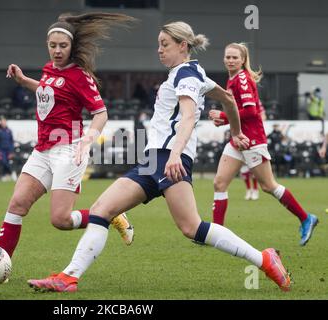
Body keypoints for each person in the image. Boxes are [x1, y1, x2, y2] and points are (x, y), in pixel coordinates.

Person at [27, 22, 291, 293]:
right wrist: (235, 133)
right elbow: (227, 99)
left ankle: (264, 259)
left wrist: (176, 154)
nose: (159, 50)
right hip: (153, 161)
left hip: (168, 159)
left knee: (192, 228)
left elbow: (189, 116)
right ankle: (68, 277)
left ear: (183, 46)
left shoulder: (186, 75)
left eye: (165, 44)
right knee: (101, 211)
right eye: (159, 44)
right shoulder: (192, 71)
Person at [0, 13, 137, 262]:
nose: (57, 51)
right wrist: (23, 81)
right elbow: (49, 89)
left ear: (72, 47)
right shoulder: (49, 69)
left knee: (60, 220)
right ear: (47, 45)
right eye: (53, 46)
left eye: (63, 46)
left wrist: (86, 141)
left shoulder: (80, 76)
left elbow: (101, 113)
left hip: (69, 150)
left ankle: (111, 215)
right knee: (16, 206)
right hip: (42, 150)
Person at [208, 42, 318, 245]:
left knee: (268, 186)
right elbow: (239, 112)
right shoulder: (232, 78)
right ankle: (217, 234)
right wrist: (226, 120)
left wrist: (223, 116)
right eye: (227, 57)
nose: (230, 60)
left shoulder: (241, 79)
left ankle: (306, 218)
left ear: (242, 60)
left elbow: (251, 112)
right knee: (219, 183)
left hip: (252, 140)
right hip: (238, 139)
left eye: (234, 57)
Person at [0, 116, 17, 181]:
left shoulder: (9, 131)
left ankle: (3, 175)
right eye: (2, 121)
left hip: (8, 150)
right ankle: (12, 172)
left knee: (6, 162)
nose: (3, 123)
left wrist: (11, 151)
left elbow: (11, 141)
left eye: (4, 121)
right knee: (4, 162)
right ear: (0, 122)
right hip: (1, 150)